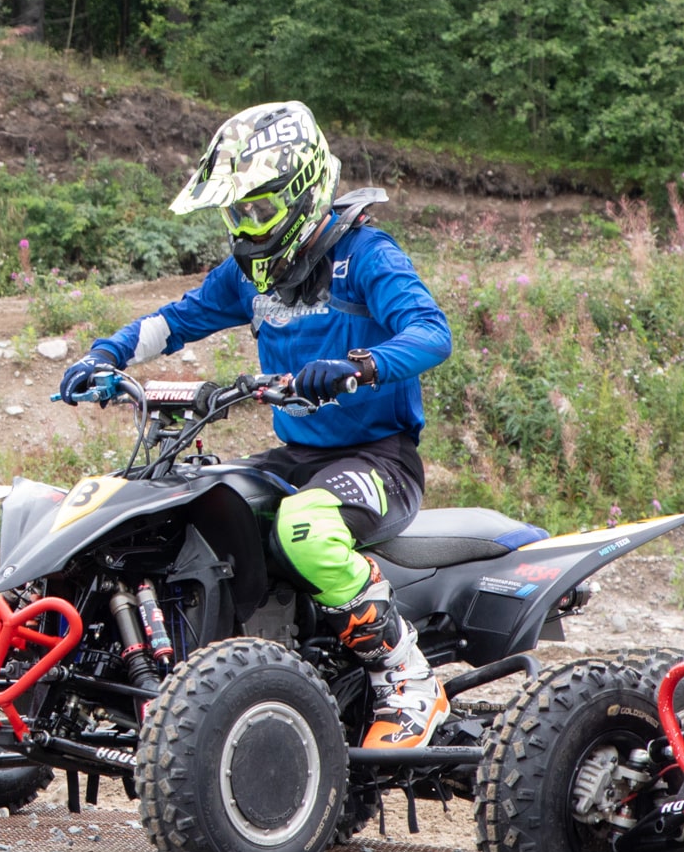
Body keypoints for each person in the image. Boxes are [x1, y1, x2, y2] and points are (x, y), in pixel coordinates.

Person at [58, 101, 456, 748]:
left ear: (301, 194)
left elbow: (432, 334)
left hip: (380, 458)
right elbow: (176, 319)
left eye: (259, 209)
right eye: (237, 212)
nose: (247, 226)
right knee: (197, 504)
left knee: (304, 527)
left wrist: (360, 365)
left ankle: (407, 677)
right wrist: (106, 353)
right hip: (297, 455)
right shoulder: (249, 274)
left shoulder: (366, 255)